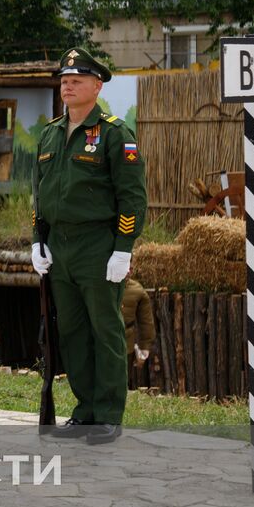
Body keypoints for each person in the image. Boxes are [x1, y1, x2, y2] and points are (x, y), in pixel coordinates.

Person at [32, 47, 147, 444]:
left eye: (76, 80)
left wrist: (123, 247)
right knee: (73, 332)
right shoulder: (49, 133)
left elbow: (132, 197)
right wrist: (38, 240)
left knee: (105, 329)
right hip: (59, 247)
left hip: (98, 245)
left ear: (96, 87)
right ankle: (84, 411)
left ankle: (109, 413)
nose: (68, 86)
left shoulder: (115, 133)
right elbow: (39, 194)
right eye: (64, 80)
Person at [122, 277, 156, 364]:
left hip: (126, 344)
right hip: (99, 343)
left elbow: (145, 321)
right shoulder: (96, 285)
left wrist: (145, 345)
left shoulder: (137, 290)